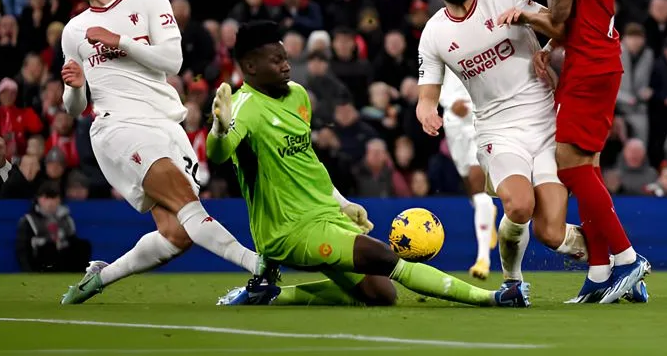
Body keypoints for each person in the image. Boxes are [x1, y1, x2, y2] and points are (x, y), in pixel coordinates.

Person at [210, 20, 529, 308]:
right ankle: (495, 298)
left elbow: (306, 161)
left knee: (381, 293)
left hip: (324, 214)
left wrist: (342, 203)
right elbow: (218, 154)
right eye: (276, 60)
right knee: (384, 256)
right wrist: (219, 130)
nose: (286, 66)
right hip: (290, 231)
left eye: (285, 58)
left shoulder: (298, 95)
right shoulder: (243, 108)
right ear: (250, 66)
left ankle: (270, 295)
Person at [59, 0, 261, 305]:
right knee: (189, 205)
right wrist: (74, 89)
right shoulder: (74, 30)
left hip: (165, 124)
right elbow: (74, 106)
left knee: (177, 234)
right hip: (117, 126)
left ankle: (100, 277)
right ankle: (258, 267)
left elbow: (172, 60)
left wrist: (118, 40)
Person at [497, 0, 650, 304]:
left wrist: (525, 14)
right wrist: (552, 48)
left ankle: (627, 258)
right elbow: (578, 18)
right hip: (597, 59)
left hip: (590, 65)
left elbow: (559, 19)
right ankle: (600, 271)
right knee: (589, 167)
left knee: (568, 165)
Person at [416, 0, 588, 295]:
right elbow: (426, 96)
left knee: (551, 233)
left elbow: (560, 28)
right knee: (519, 204)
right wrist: (427, 113)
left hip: (546, 124)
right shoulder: (433, 33)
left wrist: (535, 33)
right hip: (498, 131)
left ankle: (613, 262)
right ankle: (513, 281)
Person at [439, 66, 498, 280]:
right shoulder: (436, 39)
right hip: (453, 121)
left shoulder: (486, 35)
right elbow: (430, 76)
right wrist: (447, 103)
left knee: (476, 179)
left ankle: (483, 259)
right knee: (468, 182)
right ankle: (486, 210)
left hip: (479, 117)